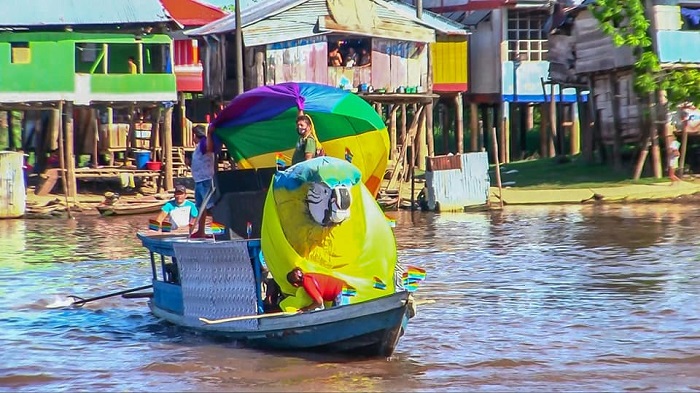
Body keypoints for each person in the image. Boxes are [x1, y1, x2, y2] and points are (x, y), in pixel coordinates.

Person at [189, 124, 216, 238]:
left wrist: (209, 133)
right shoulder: (199, 145)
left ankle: (218, 231)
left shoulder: (204, 142)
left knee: (211, 206)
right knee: (201, 207)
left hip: (206, 180)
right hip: (199, 180)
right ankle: (201, 231)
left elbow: (209, 148)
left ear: (195, 135)